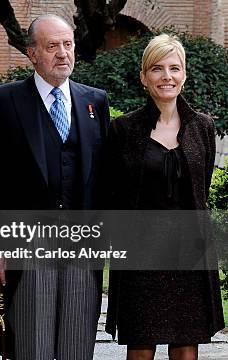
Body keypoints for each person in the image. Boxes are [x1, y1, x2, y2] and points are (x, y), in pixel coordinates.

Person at [0, 14, 110, 359]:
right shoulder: (4, 100)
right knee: (32, 345)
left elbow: (101, 176)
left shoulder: (95, 101)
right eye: (52, 46)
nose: (62, 53)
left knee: (77, 345)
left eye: (67, 45)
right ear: (32, 53)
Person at [104, 34, 225, 360]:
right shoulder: (123, 130)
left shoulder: (202, 127)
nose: (167, 76)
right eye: (157, 68)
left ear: (184, 74)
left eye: (174, 68)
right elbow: (113, 193)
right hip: (141, 257)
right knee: (140, 348)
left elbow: (201, 187)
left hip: (190, 255)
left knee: (186, 348)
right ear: (144, 76)